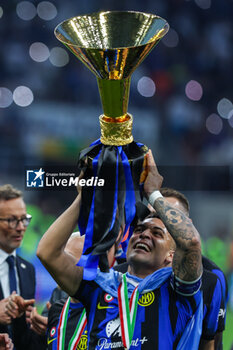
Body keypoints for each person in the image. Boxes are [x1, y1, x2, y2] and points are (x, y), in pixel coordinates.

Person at [37, 150, 216, 349]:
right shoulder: (101, 286)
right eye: (139, 230)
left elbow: (190, 241)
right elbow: (47, 252)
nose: (144, 234)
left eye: (157, 233)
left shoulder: (178, 290)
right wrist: (85, 197)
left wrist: (153, 193)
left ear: (171, 255)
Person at [0, 184, 43, 350]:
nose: (20, 228)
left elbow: (24, 341)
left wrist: (43, 330)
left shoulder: (28, 270)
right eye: (11, 220)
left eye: (24, 219)